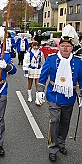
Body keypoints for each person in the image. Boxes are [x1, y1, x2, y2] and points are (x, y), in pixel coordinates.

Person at [37, 25, 82, 162]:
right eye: (63, 45)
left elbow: (81, 80)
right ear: (59, 46)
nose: (65, 48)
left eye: (68, 46)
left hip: (69, 98)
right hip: (54, 96)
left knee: (65, 123)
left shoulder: (78, 62)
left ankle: (61, 143)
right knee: (54, 121)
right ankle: (53, 148)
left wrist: (81, 95)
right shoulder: (51, 59)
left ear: (72, 47)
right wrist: (40, 91)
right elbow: (43, 77)